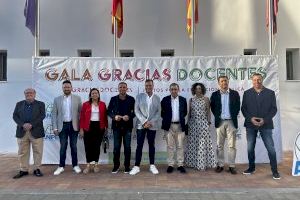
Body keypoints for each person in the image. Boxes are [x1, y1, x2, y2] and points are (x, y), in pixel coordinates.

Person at [241, 73, 281, 179]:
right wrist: (251, 119)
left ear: (262, 80)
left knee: (271, 148)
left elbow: (274, 109)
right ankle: (251, 168)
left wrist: (265, 120)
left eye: (259, 79)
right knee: (250, 148)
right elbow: (243, 109)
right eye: (254, 80)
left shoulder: (270, 93)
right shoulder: (247, 93)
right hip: (250, 124)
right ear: (252, 81)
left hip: (266, 124)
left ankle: (275, 171)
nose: (257, 82)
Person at [129, 79, 161, 175]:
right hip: (141, 125)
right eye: (146, 85)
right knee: (139, 145)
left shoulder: (157, 98)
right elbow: (136, 110)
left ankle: (152, 165)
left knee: (152, 145)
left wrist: (151, 122)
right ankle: (136, 166)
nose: (148, 87)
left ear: (153, 86)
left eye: (150, 85)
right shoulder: (139, 97)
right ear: (145, 86)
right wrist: (144, 121)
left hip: (152, 125)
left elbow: (158, 112)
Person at [12, 88, 45, 179]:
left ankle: (37, 169)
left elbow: (42, 116)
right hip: (22, 131)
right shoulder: (19, 104)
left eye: (31, 93)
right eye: (27, 93)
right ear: (24, 94)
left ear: (35, 94)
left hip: (36, 131)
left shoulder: (40, 104)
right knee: (22, 152)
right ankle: (24, 170)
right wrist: (23, 124)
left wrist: (31, 124)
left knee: (38, 151)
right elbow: (15, 116)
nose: (29, 94)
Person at [210, 76, 240, 174]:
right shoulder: (214, 95)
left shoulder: (235, 94)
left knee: (232, 146)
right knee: (219, 145)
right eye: (222, 81)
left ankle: (232, 166)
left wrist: (232, 116)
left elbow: (237, 107)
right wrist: (219, 117)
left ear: (228, 82)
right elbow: (213, 108)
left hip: (231, 122)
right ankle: (220, 164)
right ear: (219, 83)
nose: (224, 83)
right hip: (220, 122)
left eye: (225, 81)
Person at [52, 80, 82, 175]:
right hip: (62, 126)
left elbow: (81, 114)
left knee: (74, 146)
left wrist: (81, 127)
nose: (67, 88)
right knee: (63, 147)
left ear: (71, 88)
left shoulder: (77, 98)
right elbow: (54, 114)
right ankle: (61, 166)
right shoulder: (57, 99)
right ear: (62, 88)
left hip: (74, 126)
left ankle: (75, 165)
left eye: (68, 87)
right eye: (65, 87)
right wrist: (55, 128)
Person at [185, 83, 216, 170]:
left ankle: (201, 164)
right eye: (196, 88)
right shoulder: (191, 100)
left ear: (202, 89)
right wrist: (188, 123)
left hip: (203, 124)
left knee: (202, 144)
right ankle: (193, 163)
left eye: (200, 88)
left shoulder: (206, 99)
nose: (198, 90)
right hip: (193, 124)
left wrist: (209, 122)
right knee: (193, 144)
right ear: (194, 90)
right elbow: (189, 113)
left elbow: (208, 112)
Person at [108, 82, 135, 174]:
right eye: (121, 87)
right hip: (116, 127)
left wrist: (130, 116)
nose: (122, 89)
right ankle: (116, 166)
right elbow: (109, 111)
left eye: (124, 87)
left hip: (127, 127)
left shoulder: (131, 99)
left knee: (127, 147)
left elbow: (135, 112)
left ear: (127, 88)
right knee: (116, 148)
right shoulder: (113, 99)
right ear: (118, 88)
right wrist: (114, 117)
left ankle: (127, 167)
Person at [79, 88, 108, 174]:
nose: (94, 94)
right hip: (88, 127)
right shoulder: (85, 104)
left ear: (98, 95)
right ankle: (88, 165)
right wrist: (81, 129)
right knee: (88, 146)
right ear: (90, 95)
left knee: (97, 146)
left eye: (96, 93)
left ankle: (96, 164)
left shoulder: (103, 104)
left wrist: (106, 127)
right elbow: (82, 118)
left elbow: (105, 117)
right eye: (93, 93)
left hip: (99, 127)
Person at [161, 83, 187, 173]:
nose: (174, 91)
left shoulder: (183, 100)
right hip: (169, 126)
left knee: (180, 146)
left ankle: (180, 165)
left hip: (180, 126)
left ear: (178, 90)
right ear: (170, 90)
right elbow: (162, 113)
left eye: (175, 89)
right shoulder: (165, 100)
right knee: (170, 146)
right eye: (172, 89)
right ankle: (170, 164)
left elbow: (185, 112)